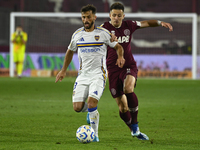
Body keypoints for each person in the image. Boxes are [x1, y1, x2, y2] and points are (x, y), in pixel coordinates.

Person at [101, 2, 173, 140]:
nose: (116, 18)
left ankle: (135, 123)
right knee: (122, 108)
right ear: (110, 15)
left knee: (128, 88)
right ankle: (134, 129)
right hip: (113, 68)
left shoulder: (129, 25)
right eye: (114, 15)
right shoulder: (103, 29)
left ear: (123, 16)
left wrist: (160, 22)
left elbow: (145, 23)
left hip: (129, 65)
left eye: (119, 15)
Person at [55, 4, 125, 142]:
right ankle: (89, 112)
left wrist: (120, 56)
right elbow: (70, 51)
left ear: (94, 17)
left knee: (92, 103)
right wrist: (63, 70)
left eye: (88, 17)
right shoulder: (77, 35)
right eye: (83, 17)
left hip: (98, 75)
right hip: (82, 76)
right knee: (77, 107)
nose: (86, 20)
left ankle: (95, 134)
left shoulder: (103, 33)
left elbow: (118, 46)